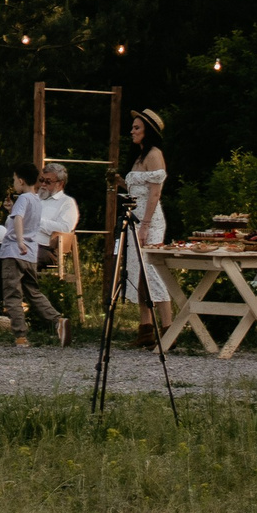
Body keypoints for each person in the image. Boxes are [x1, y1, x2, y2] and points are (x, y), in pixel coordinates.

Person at [0, 165, 68, 347]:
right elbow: (25, 220)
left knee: (12, 295)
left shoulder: (22, 198)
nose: (14, 183)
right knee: (33, 292)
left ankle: (20, 336)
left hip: (14, 252)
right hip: (30, 254)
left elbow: (19, 219)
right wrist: (11, 211)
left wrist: (19, 241)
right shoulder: (36, 200)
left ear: (21, 181)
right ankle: (58, 321)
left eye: (14, 180)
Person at [117, 108, 170, 346]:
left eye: (137, 128)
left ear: (148, 131)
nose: (132, 131)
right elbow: (138, 187)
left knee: (152, 272)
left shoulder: (154, 154)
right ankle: (145, 328)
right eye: (133, 127)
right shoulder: (140, 156)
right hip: (134, 219)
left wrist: (146, 225)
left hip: (149, 221)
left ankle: (168, 328)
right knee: (138, 273)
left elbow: (155, 193)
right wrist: (119, 182)